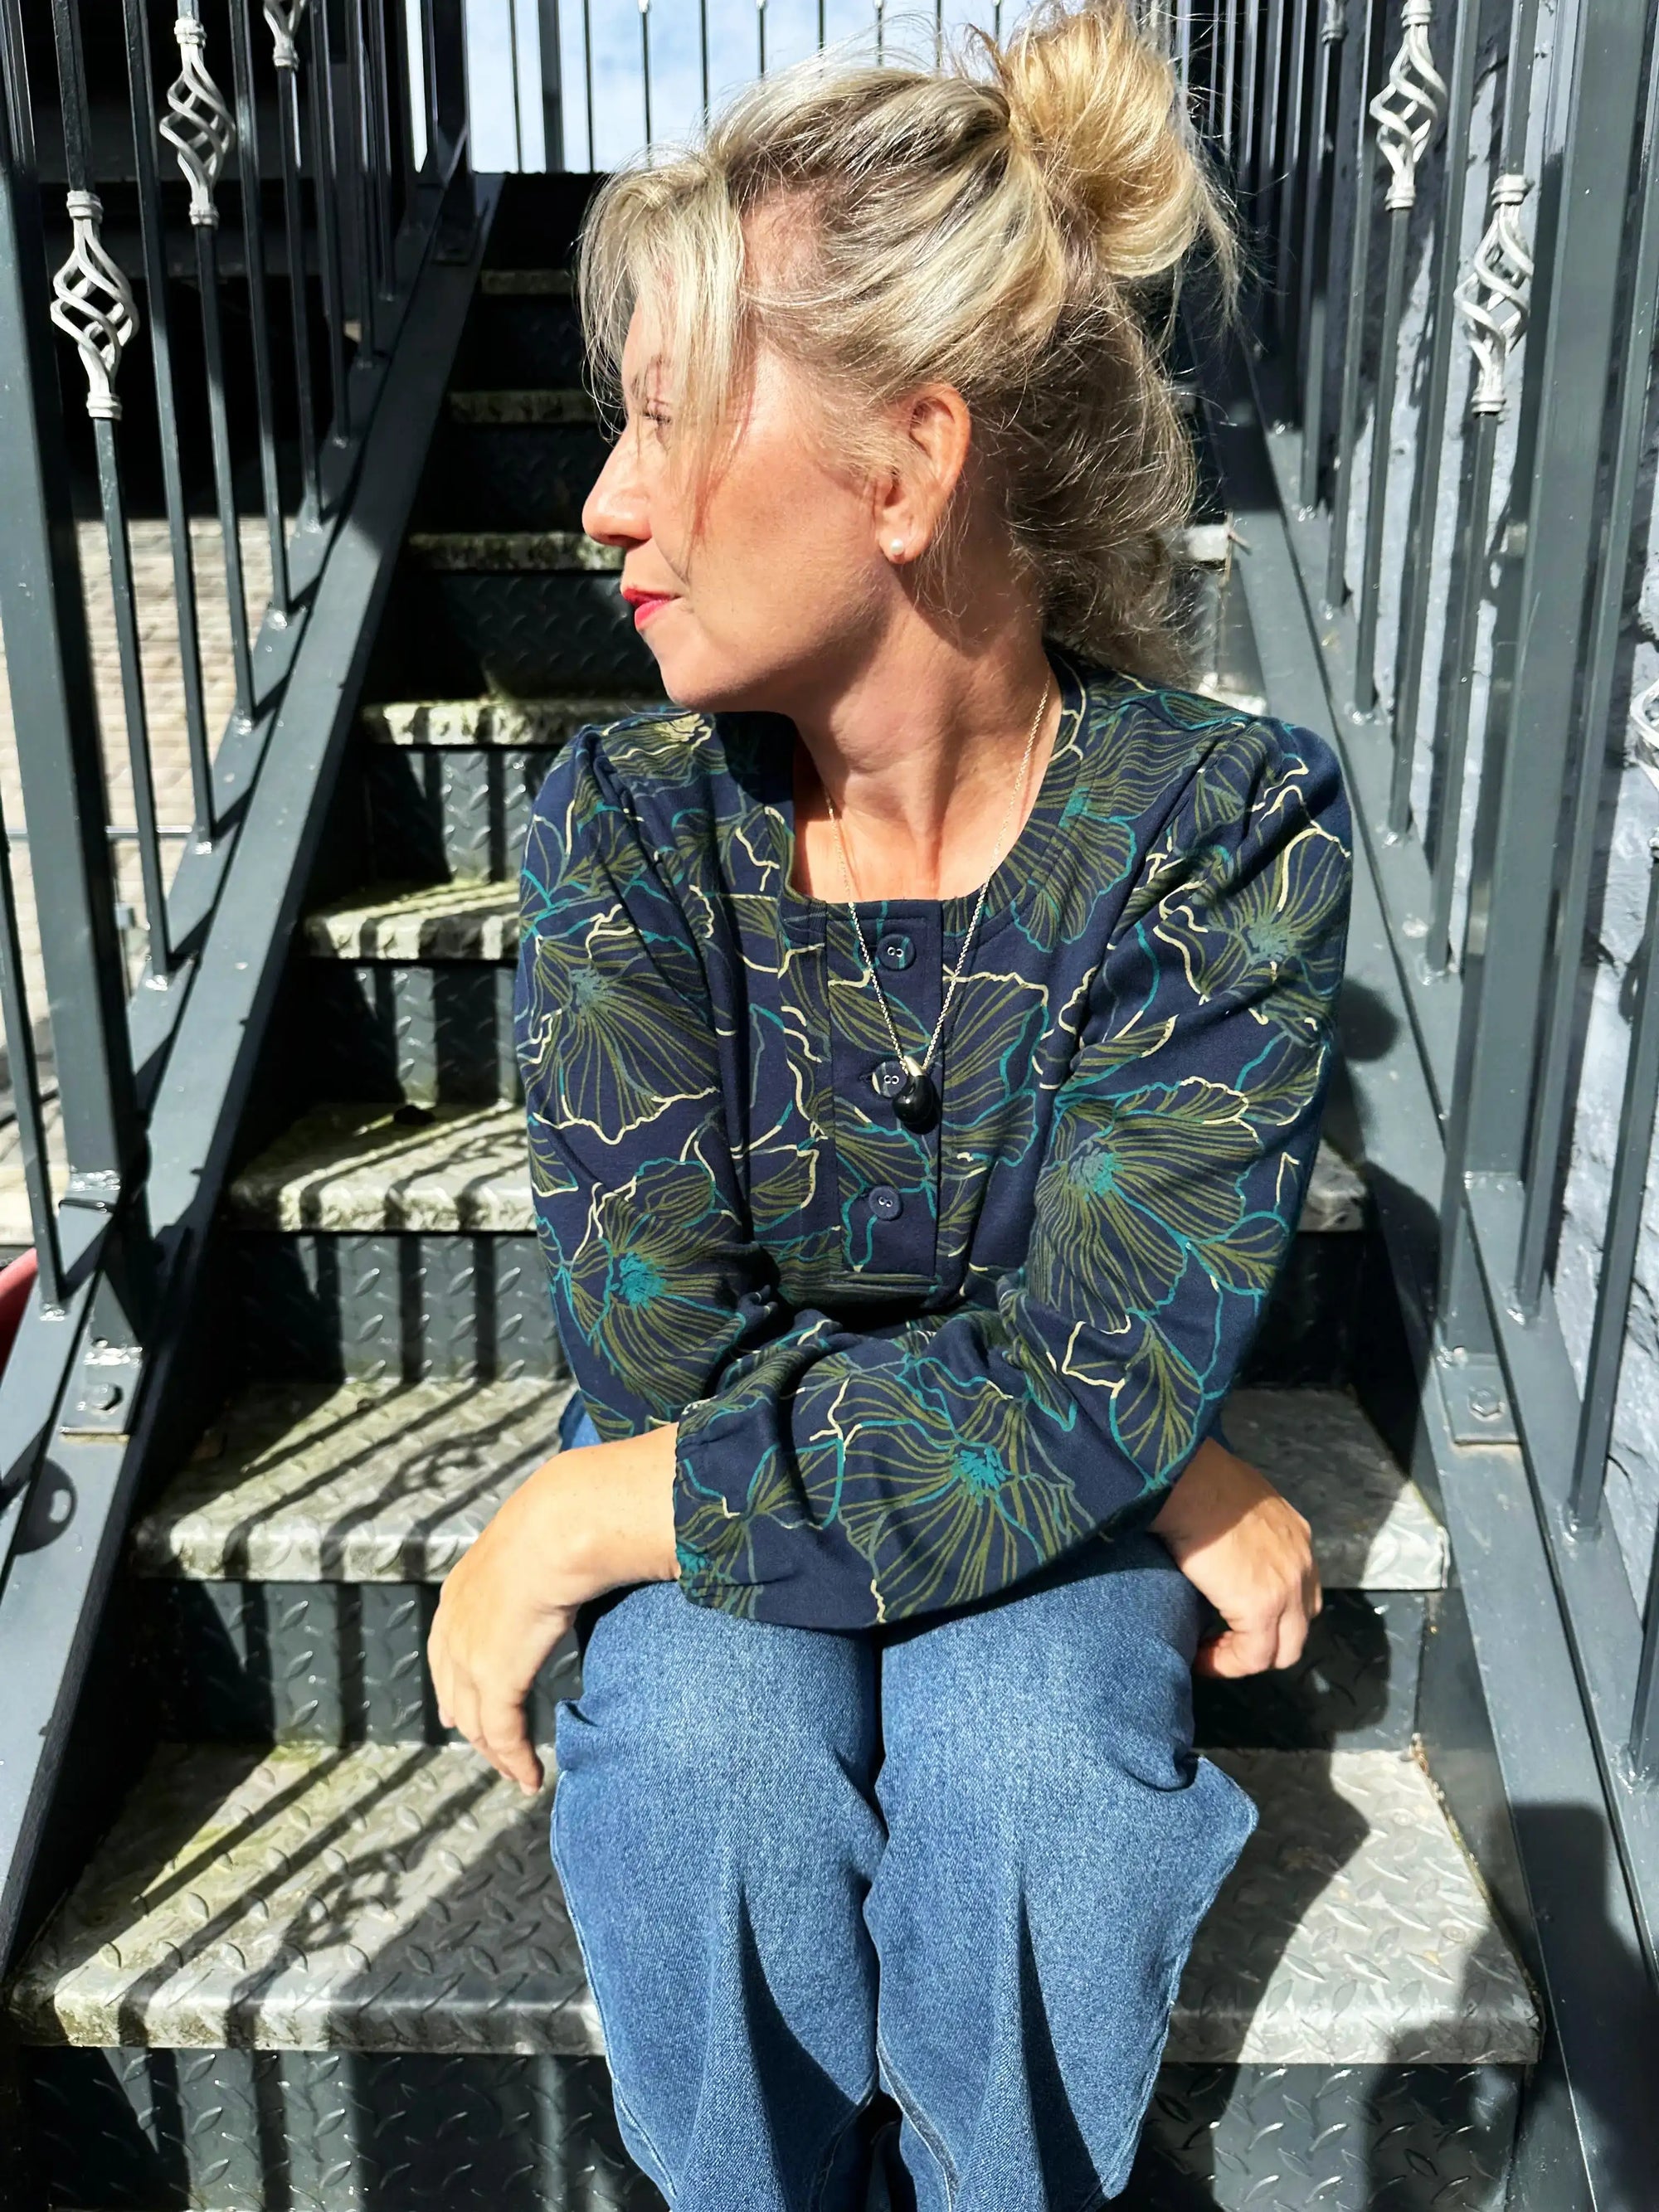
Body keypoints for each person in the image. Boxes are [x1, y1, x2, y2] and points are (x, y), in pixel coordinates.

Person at [427, 1, 1353, 2201]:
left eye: (663, 422)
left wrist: (570, 1514)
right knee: (697, 1792)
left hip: (751, 1489)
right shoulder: (626, 836)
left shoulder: (1217, 838)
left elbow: (1075, 1362)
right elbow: (672, 1348)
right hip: (841, 1460)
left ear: (910, 465)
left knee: (1038, 1790)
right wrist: (1130, 1428)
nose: (604, 504)